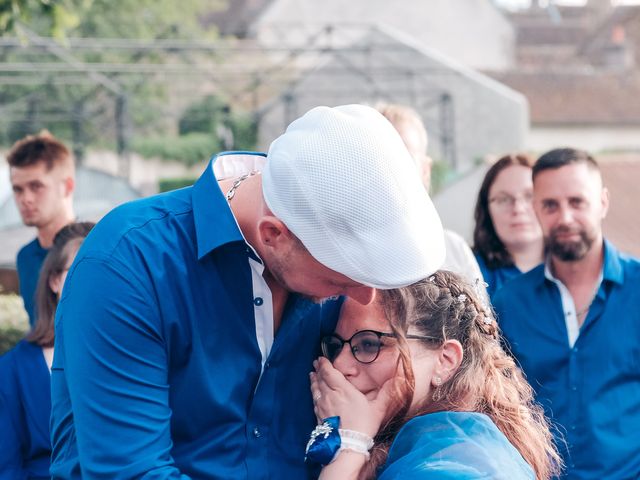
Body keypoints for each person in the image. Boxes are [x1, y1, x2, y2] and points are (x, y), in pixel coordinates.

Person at [50, 105, 447, 479]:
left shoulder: (317, 234)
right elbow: (132, 472)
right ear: (274, 235)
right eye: (341, 280)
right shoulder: (131, 263)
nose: (364, 297)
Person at [308, 271, 561, 480]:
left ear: (445, 360)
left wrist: (350, 446)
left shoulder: (450, 469)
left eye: (370, 344)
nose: (339, 366)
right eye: (334, 346)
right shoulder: (451, 445)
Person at [493, 148, 640, 479]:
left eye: (577, 202)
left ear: (602, 202)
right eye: (550, 205)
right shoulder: (509, 303)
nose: (565, 218)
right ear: (536, 209)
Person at [0, 222, 94, 480]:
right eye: (80, 271)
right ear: (54, 280)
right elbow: (6, 469)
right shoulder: (10, 372)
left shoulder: (134, 355)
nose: (94, 284)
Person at [376, 103, 482, 283]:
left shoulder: (453, 250)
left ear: (425, 170)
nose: (392, 166)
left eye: (403, 155)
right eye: (380, 155)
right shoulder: (340, 251)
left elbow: (480, 310)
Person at [8, 132, 76, 327]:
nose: (25, 198)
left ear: (67, 187)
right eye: (18, 189)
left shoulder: (93, 250)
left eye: (36, 186)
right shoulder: (25, 257)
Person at [473, 154, 543, 300]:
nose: (518, 208)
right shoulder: (470, 273)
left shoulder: (574, 270)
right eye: (503, 199)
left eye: (530, 196)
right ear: (486, 210)